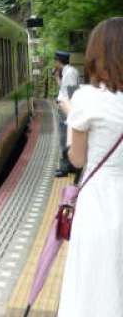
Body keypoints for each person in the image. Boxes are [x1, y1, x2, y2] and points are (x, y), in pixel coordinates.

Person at [58, 18, 123, 316]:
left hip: (98, 202)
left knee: (94, 283)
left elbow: (78, 159)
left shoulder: (86, 99)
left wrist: (72, 117)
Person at [55, 50, 80, 177]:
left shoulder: (69, 73)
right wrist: (57, 79)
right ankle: (69, 166)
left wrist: (68, 112)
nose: (54, 63)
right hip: (65, 109)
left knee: (64, 139)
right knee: (64, 138)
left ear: (59, 61)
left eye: (55, 61)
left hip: (66, 111)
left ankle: (65, 168)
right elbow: (64, 89)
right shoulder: (67, 72)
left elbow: (70, 93)